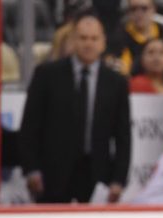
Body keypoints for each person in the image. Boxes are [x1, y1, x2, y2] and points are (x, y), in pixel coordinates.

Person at [20, 12, 131, 203]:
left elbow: (123, 135)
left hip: (97, 175)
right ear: (72, 40)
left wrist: (118, 179)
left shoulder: (116, 82)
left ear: (103, 42)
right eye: (83, 38)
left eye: (94, 38)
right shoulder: (47, 75)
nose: (88, 44)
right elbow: (30, 126)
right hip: (52, 174)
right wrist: (31, 169)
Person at [108, 0, 163, 80]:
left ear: (154, 9)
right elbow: (118, 75)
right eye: (133, 9)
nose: (139, 13)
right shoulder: (118, 39)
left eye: (144, 8)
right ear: (128, 12)